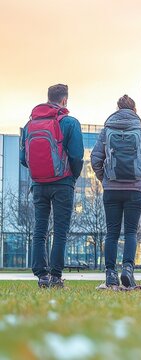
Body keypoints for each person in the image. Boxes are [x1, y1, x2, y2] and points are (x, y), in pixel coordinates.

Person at [20, 84, 84, 288]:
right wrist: (72, 177)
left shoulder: (30, 125)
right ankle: (56, 277)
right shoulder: (70, 123)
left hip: (38, 184)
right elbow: (77, 155)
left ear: (48, 98)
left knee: (40, 230)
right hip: (63, 183)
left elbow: (24, 159)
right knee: (60, 230)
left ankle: (42, 276)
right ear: (64, 100)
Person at [91, 95, 141, 287]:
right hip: (135, 190)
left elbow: (95, 159)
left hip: (111, 189)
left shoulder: (107, 130)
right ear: (134, 110)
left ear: (118, 108)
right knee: (130, 232)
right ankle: (128, 269)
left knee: (111, 232)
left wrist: (105, 178)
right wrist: (140, 180)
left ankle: (110, 273)